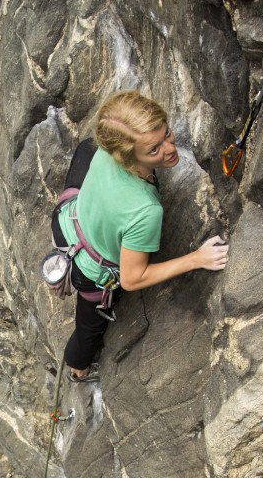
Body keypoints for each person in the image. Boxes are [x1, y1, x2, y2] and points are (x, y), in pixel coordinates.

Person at [52, 90, 229, 382]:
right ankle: (78, 370)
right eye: (154, 150)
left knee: (86, 147)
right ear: (125, 155)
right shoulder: (145, 209)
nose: (170, 149)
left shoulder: (104, 146)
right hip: (88, 269)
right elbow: (133, 278)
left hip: (66, 219)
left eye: (167, 134)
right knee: (88, 329)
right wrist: (197, 259)